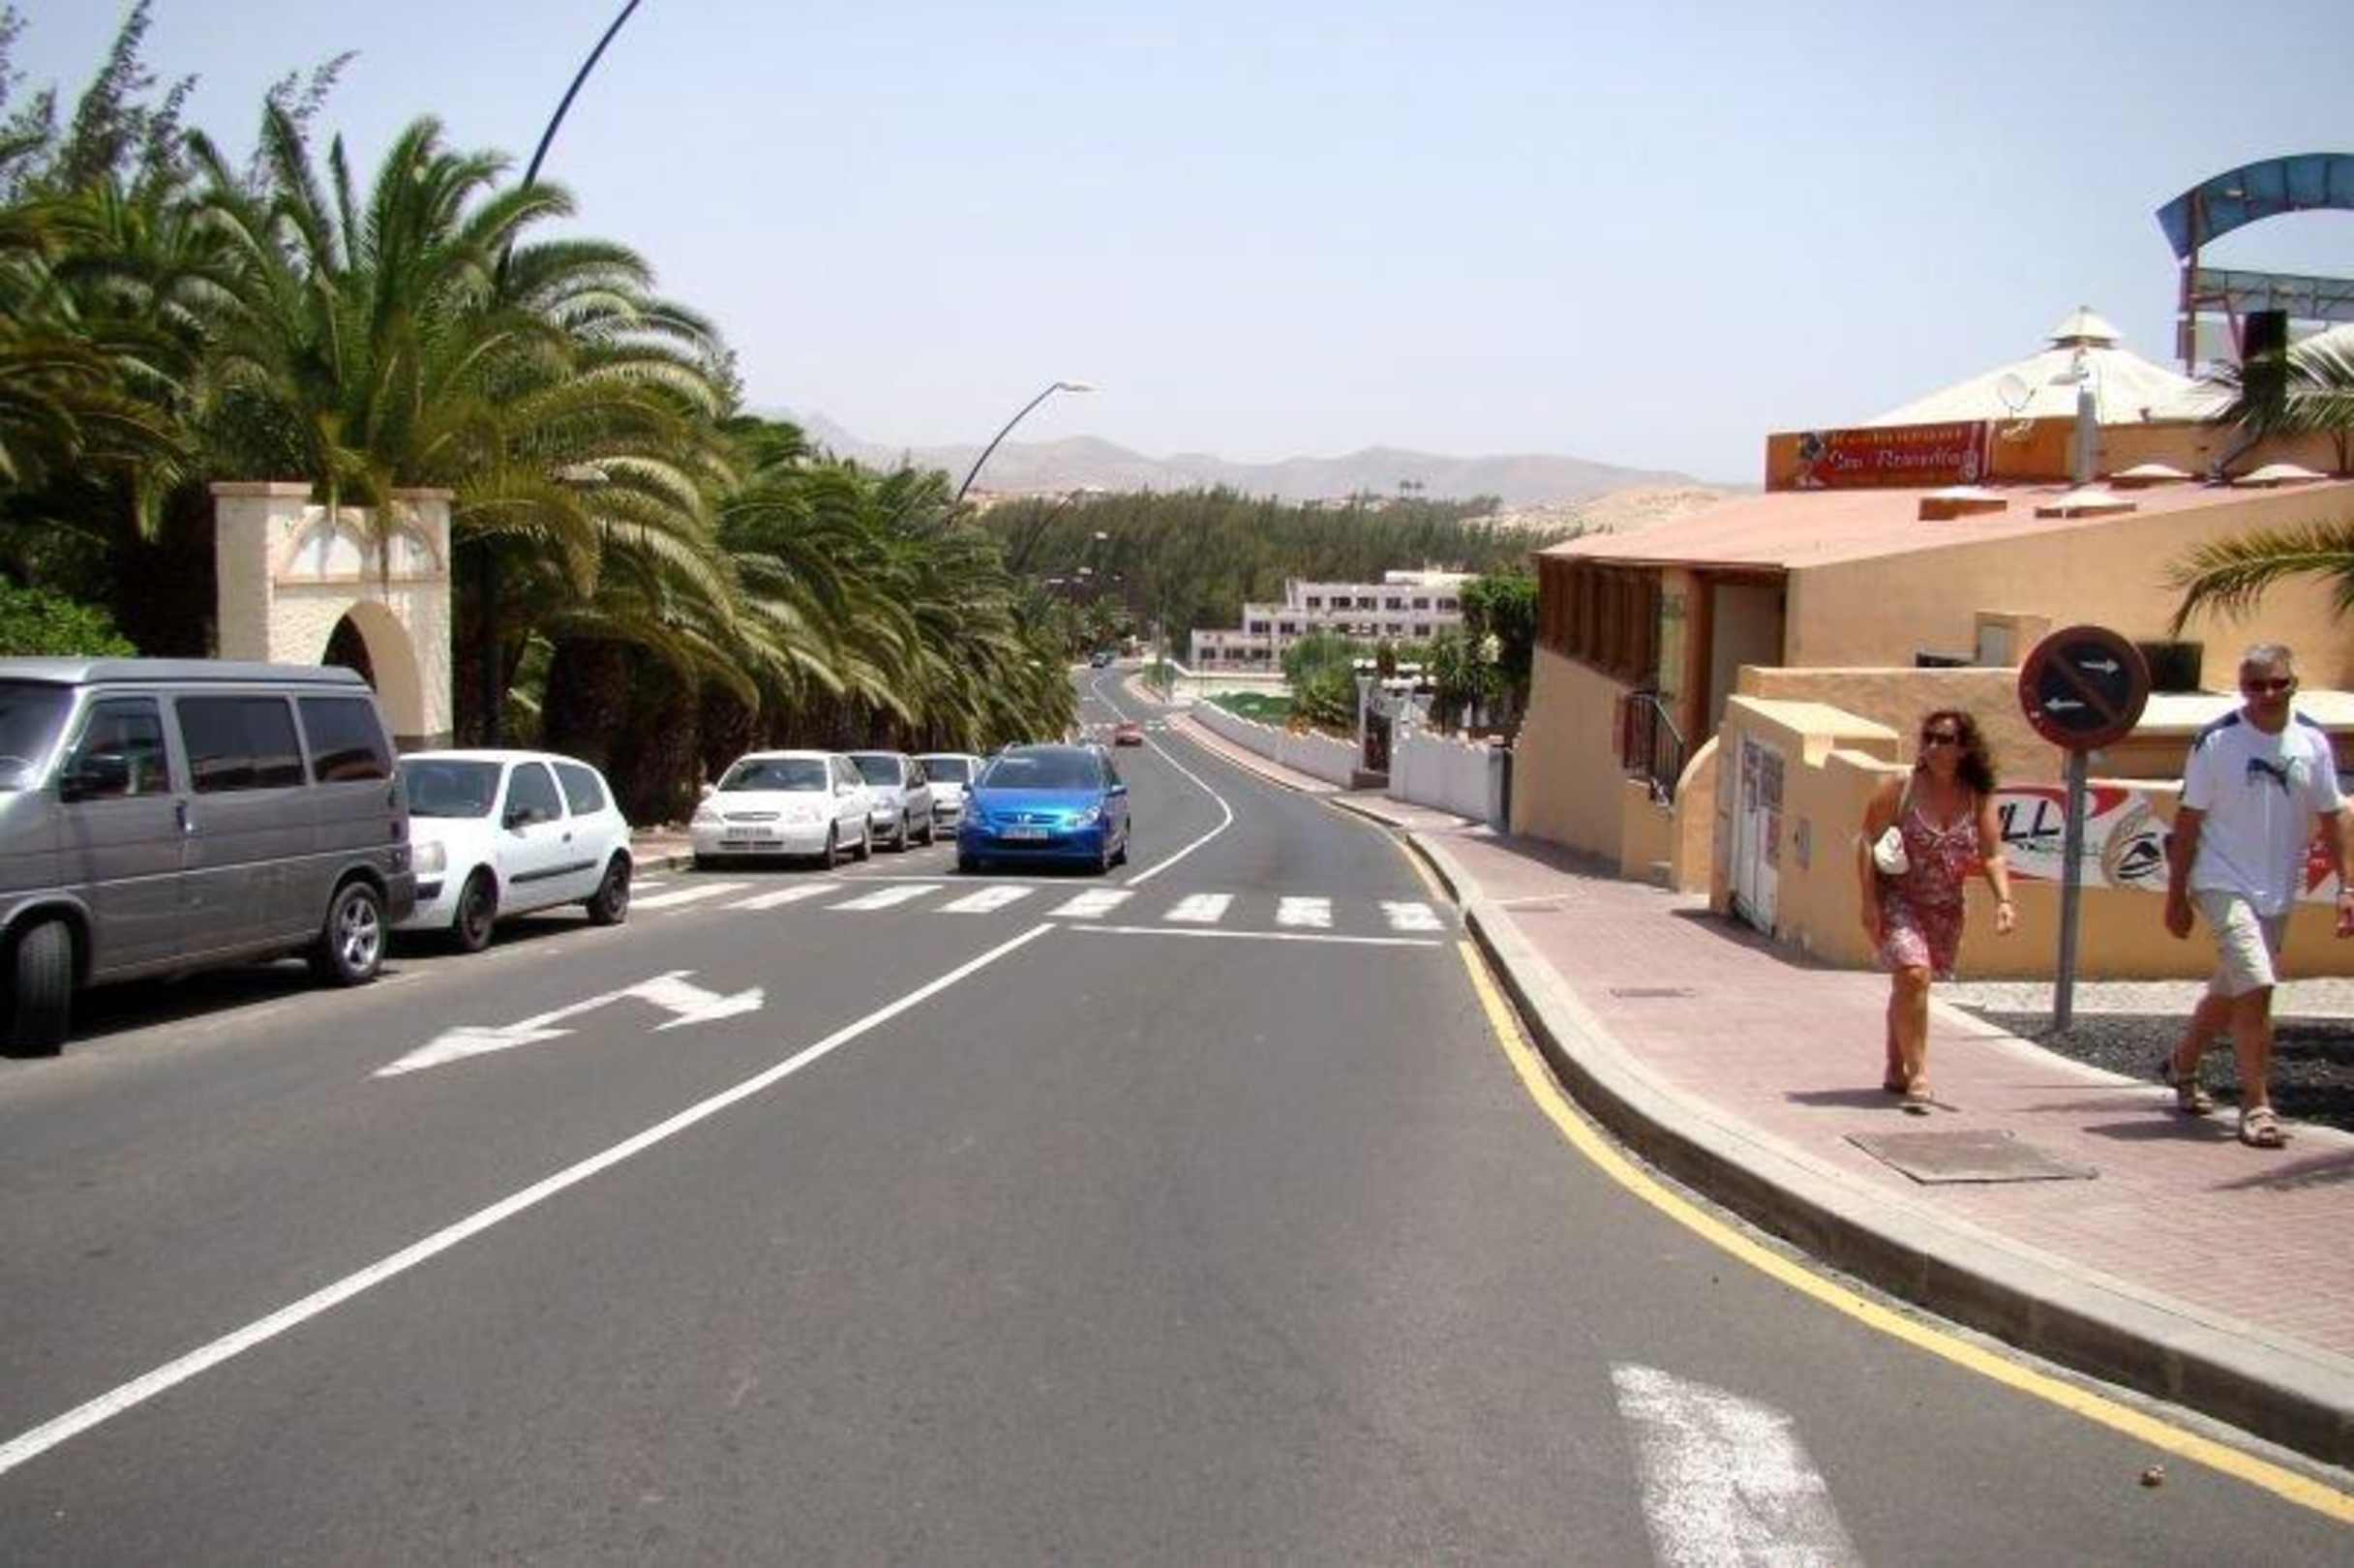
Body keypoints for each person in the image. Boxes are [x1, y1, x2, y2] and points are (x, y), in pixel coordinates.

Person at [2160, 643, 2352, 1149]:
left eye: (2277, 683)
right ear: (2241, 687)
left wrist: (2347, 886)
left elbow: (2332, 815)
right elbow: (2188, 820)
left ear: (2294, 684)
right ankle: (2257, 1104)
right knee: (2259, 984)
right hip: (2220, 879)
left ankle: (2182, 1063)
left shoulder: (2312, 742)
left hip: (2276, 889)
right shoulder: (2217, 742)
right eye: (2255, 685)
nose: (2267, 694)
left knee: (2233, 989)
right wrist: (2176, 896)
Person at [1858, 709, 2017, 1112]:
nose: (1931, 746)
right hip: (1899, 898)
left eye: (1943, 739)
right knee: (1914, 974)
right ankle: (1919, 1074)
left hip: (1945, 906)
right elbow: (1867, 842)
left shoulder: (1977, 795)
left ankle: (1896, 1065)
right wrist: (1869, 903)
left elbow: (1992, 854)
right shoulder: (1901, 788)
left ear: (1963, 748)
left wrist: (2004, 900)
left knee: (1911, 985)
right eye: (1927, 737)